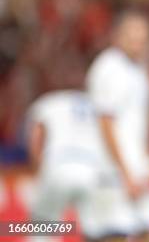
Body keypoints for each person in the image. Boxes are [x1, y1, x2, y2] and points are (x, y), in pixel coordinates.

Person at [86, 10, 149, 241]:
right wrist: (124, 173)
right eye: (132, 33)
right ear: (117, 35)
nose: (138, 40)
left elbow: (141, 124)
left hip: (136, 171)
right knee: (114, 235)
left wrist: (147, 161)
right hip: (111, 172)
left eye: (142, 34)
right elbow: (105, 123)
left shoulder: (140, 71)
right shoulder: (108, 68)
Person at [27, 90, 120, 241]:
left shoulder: (49, 101)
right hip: (93, 171)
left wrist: (39, 171)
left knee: (43, 228)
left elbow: (36, 138)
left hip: (58, 166)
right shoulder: (96, 105)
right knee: (97, 233)